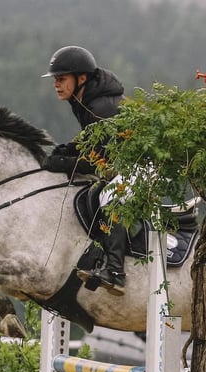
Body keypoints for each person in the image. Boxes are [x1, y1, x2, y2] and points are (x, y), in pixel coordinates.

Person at [41, 45, 128, 296]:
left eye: (61, 79)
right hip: (120, 164)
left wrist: (61, 163)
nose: (56, 84)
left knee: (109, 196)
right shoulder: (85, 99)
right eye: (55, 80)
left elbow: (96, 162)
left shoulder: (101, 107)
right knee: (91, 193)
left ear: (81, 78)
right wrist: (66, 150)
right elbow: (90, 141)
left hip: (145, 166)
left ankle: (115, 272)